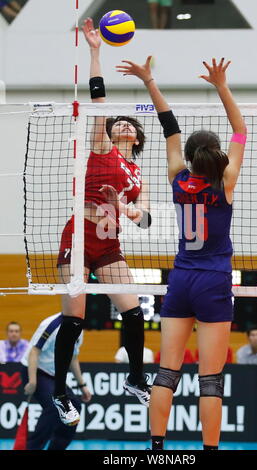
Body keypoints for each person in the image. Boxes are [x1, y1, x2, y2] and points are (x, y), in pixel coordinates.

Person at [116, 56, 246, 451]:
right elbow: (241, 129)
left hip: (181, 278)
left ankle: (157, 449)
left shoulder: (177, 177)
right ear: (215, 154)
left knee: (166, 372)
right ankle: (208, 451)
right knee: (210, 379)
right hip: (213, 280)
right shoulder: (225, 181)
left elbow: (169, 125)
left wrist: (149, 80)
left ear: (189, 156)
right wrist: (222, 85)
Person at [53, 18, 152, 425]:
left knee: (133, 313)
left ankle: (134, 378)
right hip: (79, 236)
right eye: (119, 123)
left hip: (110, 244)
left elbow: (145, 219)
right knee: (74, 319)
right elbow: (98, 100)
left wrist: (129, 210)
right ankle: (60, 392)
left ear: (139, 140)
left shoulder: (138, 177)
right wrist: (95, 52)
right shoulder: (102, 147)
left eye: (131, 125)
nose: (123, 124)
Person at [21, 312, 91, 450]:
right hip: (35, 370)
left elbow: (73, 357)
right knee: (54, 406)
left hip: (54, 375)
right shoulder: (52, 324)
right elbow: (34, 351)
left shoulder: (78, 327)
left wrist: (82, 385)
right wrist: (33, 381)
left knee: (75, 406)